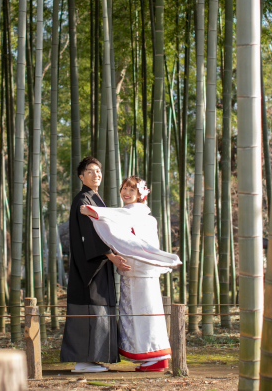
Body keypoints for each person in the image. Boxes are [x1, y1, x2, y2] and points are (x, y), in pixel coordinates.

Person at [80, 176, 181, 372]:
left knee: (144, 314)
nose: (126, 193)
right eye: (124, 189)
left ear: (140, 194)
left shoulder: (135, 214)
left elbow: (113, 217)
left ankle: (155, 356)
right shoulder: (137, 214)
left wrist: (93, 211)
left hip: (140, 272)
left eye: (132, 190)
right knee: (140, 313)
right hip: (135, 271)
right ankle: (153, 356)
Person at [60, 157, 130, 373]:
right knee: (91, 309)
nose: (96, 174)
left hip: (99, 263)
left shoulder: (96, 198)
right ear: (81, 177)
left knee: (100, 309)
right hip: (89, 266)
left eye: (98, 171)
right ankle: (83, 361)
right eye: (90, 171)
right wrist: (111, 256)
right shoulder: (83, 199)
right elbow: (90, 234)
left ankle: (94, 359)